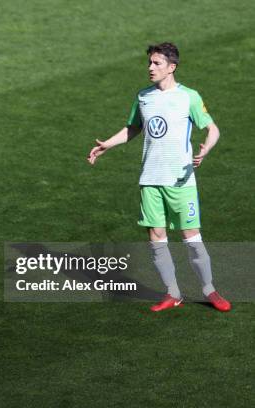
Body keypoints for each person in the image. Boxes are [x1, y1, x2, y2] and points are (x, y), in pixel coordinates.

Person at [87, 42, 231, 313]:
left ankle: (209, 289)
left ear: (171, 67)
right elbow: (133, 128)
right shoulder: (144, 97)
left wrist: (206, 149)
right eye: (149, 63)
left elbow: (212, 129)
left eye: (157, 63)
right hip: (150, 179)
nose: (150, 68)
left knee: (191, 237)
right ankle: (172, 293)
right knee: (156, 236)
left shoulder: (189, 96)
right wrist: (107, 144)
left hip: (180, 180)